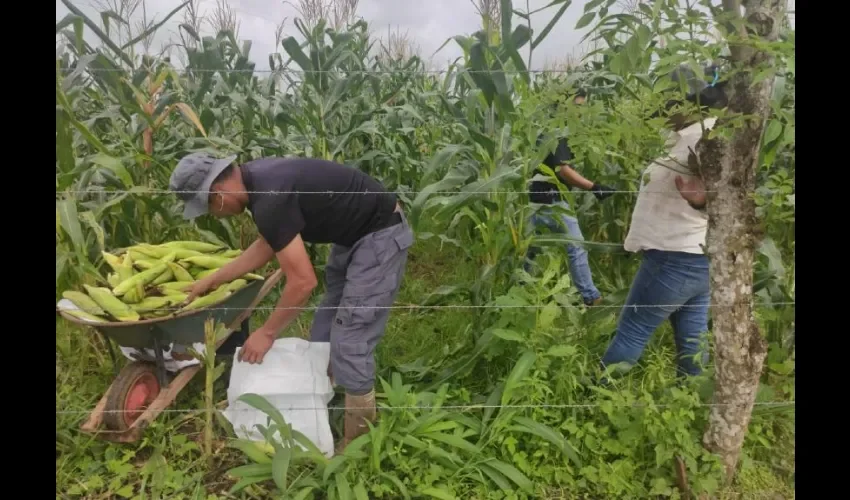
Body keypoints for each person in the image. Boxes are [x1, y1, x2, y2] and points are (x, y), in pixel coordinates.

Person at [168, 154, 414, 451]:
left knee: (351, 336)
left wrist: (267, 332)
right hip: (352, 234)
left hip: (379, 235)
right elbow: (269, 243)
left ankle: (359, 441)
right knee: (326, 326)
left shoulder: (269, 198)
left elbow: (303, 282)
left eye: (208, 208)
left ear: (217, 195)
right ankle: (326, 399)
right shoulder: (260, 181)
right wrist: (215, 279)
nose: (214, 215)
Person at [600, 70, 729, 378]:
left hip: (674, 257)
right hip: (697, 259)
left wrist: (702, 201)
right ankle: (692, 397)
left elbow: (727, 198)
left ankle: (598, 396)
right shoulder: (689, 136)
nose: (664, 117)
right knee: (693, 335)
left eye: (668, 108)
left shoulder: (704, 140)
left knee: (633, 329)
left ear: (686, 106)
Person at [524, 89, 615, 307]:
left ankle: (518, 286)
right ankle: (591, 297)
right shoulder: (558, 133)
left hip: (533, 200)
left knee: (529, 247)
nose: (580, 112)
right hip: (552, 202)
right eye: (578, 106)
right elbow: (562, 171)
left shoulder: (543, 129)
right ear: (564, 106)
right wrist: (594, 187)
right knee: (576, 246)